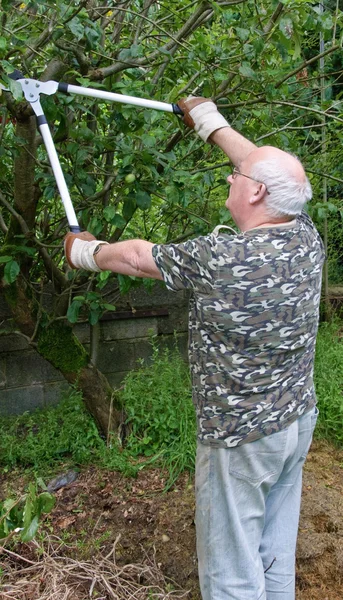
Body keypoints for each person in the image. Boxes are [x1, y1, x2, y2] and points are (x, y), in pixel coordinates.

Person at [64, 97, 325, 600]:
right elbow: (268, 171)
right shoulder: (305, 234)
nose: (230, 177)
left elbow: (140, 258)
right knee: (273, 545)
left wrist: (85, 252)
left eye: (237, 176)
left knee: (230, 566)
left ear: (256, 193)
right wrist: (211, 123)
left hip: (240, 437)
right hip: (294, 422)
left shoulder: (221, 257)